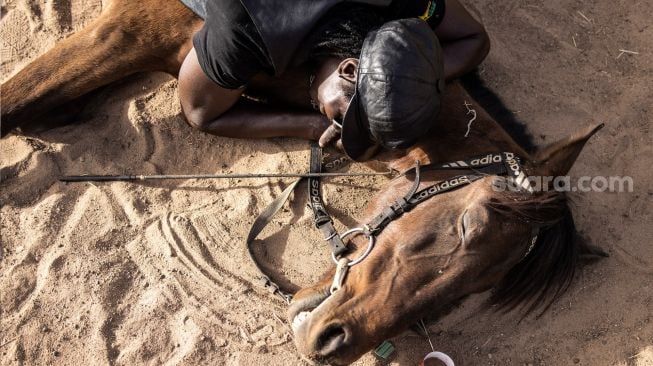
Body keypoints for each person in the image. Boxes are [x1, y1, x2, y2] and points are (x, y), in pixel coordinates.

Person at [178, 0, 489, 160]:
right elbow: (200, 113)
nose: (336, 122)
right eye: (342, 115)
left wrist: (409, 75)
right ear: (349, 70)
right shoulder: (249, 32)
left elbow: (474, 39)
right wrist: (311, 125)